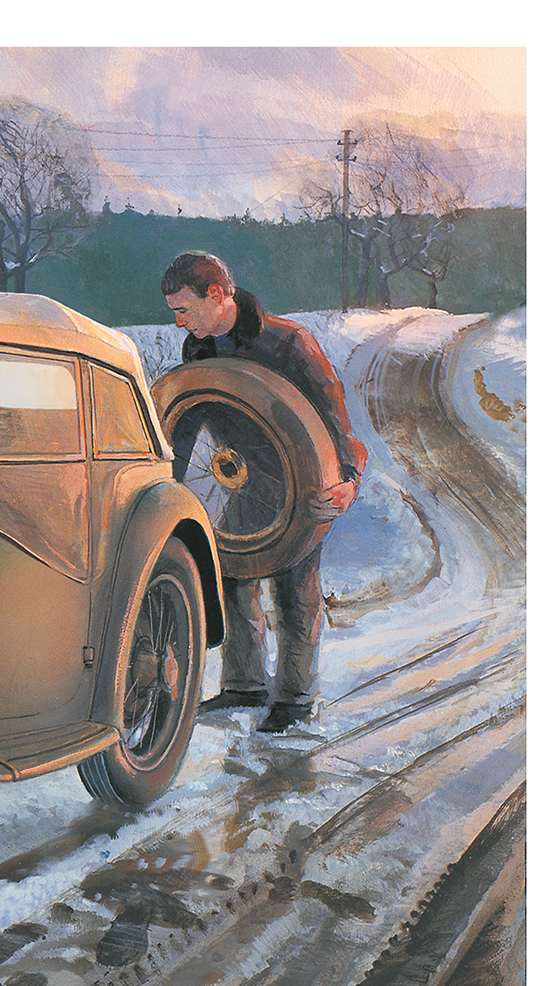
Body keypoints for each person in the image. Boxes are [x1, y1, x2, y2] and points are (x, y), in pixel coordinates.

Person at [160, 250, 368, 733]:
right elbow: (189, 416)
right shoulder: (200, 349)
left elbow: (340, 428)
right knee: (230, 574)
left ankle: (295, 699)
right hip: (243, 483)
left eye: (184, 309)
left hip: (302, 483)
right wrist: (166, 477)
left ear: (217, 295)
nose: (177, 322)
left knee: (295, 589)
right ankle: (243, 686)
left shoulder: (290, 342)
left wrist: (348, 483)